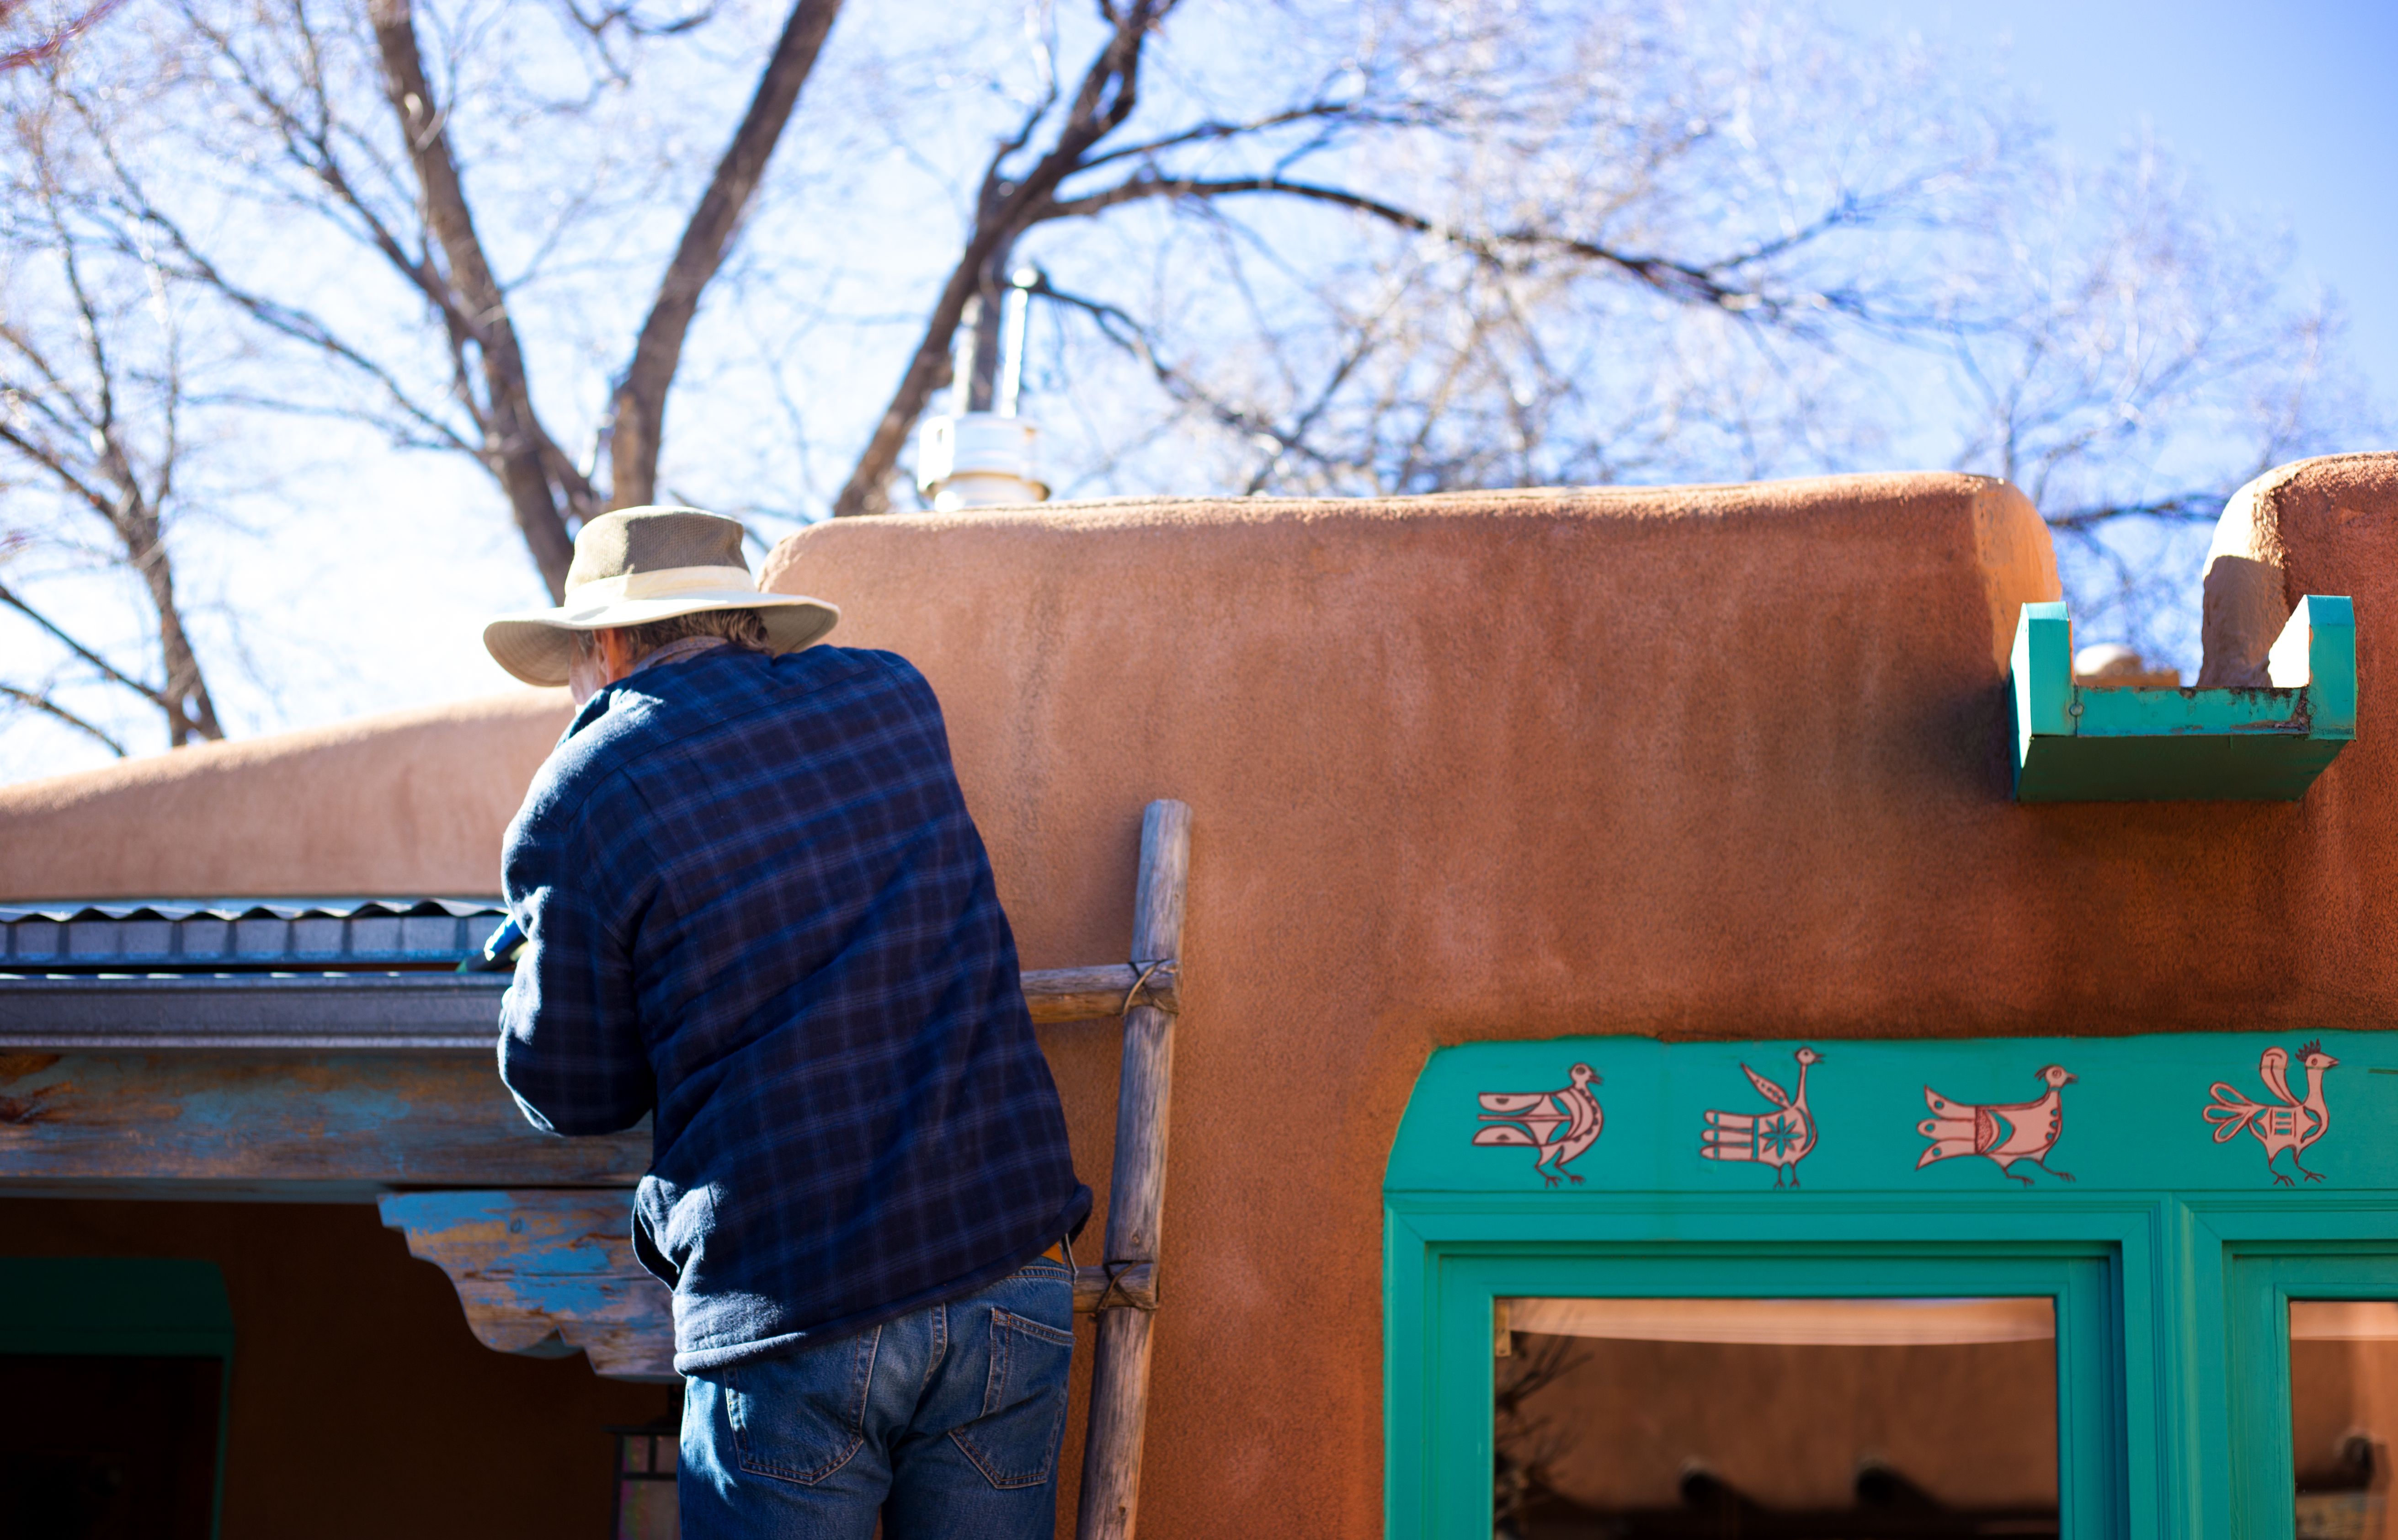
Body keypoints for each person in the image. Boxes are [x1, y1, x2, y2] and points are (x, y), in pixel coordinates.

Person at [481, 506, 1090, 1539]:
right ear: (748, 623)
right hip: (1006, 1262)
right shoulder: (893, 695)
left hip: (792, 1295)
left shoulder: (586, 785)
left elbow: (573, 1091)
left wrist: (534, 948)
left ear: (605, 644)